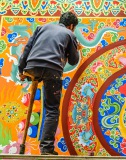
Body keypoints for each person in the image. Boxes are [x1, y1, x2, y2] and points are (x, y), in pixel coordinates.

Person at [18, 11, 80, 155]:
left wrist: (22, 70)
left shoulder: (42, 28)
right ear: (71, 26)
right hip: (52, 69)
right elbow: (73, 61)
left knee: (39, 78)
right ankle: (46, 148)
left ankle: (24, 148)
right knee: (52, 108)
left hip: (32, 66)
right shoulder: (69, 34)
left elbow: (27, 49)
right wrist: (75, 47)